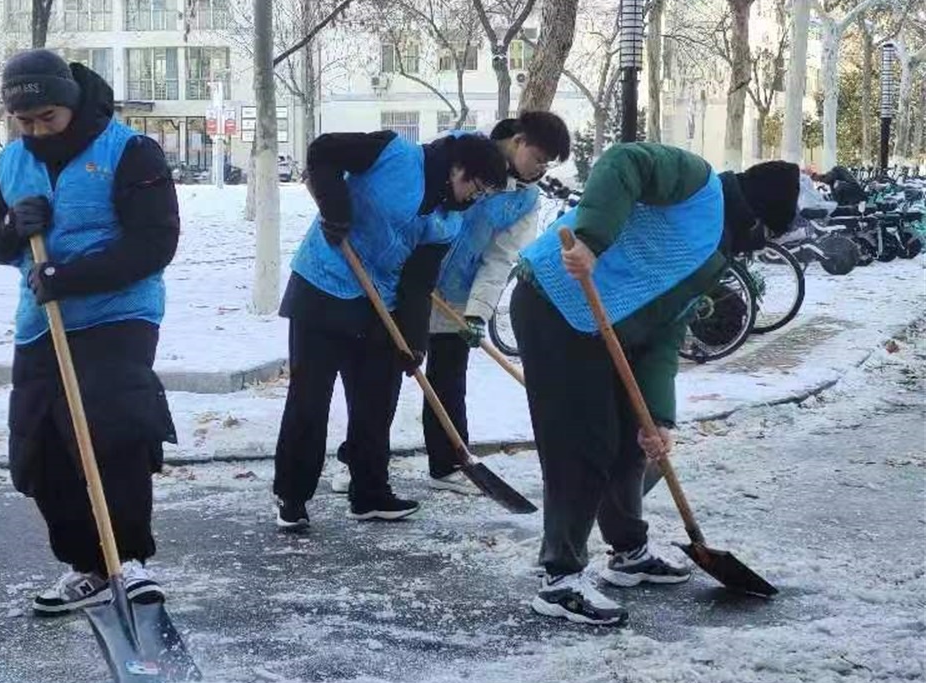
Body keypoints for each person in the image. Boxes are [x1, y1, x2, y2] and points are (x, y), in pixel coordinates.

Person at [510, 143, 800, 626]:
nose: (762, 244)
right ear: (754, 216)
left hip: (608, 326)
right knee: (583, 442)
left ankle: (628, 551)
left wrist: (657, 416)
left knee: (631, 441)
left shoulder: (715, 255)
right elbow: (625, 162)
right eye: (767, 233)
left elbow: (666, 332)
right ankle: (559, 579)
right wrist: (591, 239)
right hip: (555, 302)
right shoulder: (697, 182)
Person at [0, 49, 180, 615]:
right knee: (41, 446)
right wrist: (13, 226)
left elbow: (155, 242)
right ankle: (85, 565)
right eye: (25, 121)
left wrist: (70, 275)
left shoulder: (130, 152)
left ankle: (129, 559)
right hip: (41, 318)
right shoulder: (11, 163)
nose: (37, 131)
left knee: (111, 429)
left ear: (71, 104)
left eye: (48, 118)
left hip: (119, 311)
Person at [273, 130, 509, 530]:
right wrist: (335, 207)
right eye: (477, 187)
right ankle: (292, 496)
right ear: (458, 169)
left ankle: (369, 493)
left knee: (377, 399)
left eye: (484, 195)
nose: (474, 199)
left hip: (379, 302)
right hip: (324, 284)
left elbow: (417, 283)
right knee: (310, 398)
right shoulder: (393, 153)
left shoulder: (447, 222)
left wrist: (414, 340)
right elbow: (323, 152)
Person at [330, 112, 572, 496]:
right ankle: (359, 461)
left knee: (449, 380)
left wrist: (477, 312)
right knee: (382, 379)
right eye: (539, 158)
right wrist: (406, 271)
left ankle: (448, 463)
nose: (541, 169)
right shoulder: (461, 146)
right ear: (520, 140)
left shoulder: (525, 199)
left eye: (548, 164)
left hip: (459, 293)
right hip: (404, 280)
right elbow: (419, 201)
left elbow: (500, 257)